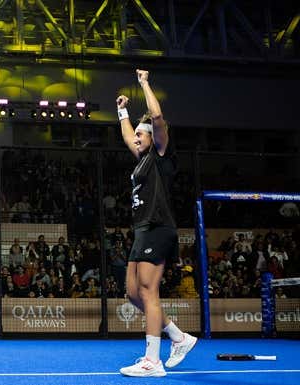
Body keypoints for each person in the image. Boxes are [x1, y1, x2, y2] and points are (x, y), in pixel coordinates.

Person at [116, 69, 197, 377]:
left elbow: (158, 116)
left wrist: (144, 84)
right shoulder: (142, 159)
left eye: (141, 134)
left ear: (153, 137)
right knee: (133, 294)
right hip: (142, 229)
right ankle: (178, 337)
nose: (136, 138)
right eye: (136, 135)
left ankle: (153, 360)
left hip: (159, 227)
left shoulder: (162, 155)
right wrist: (122, 110)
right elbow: (126, 135)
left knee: (149, 291)